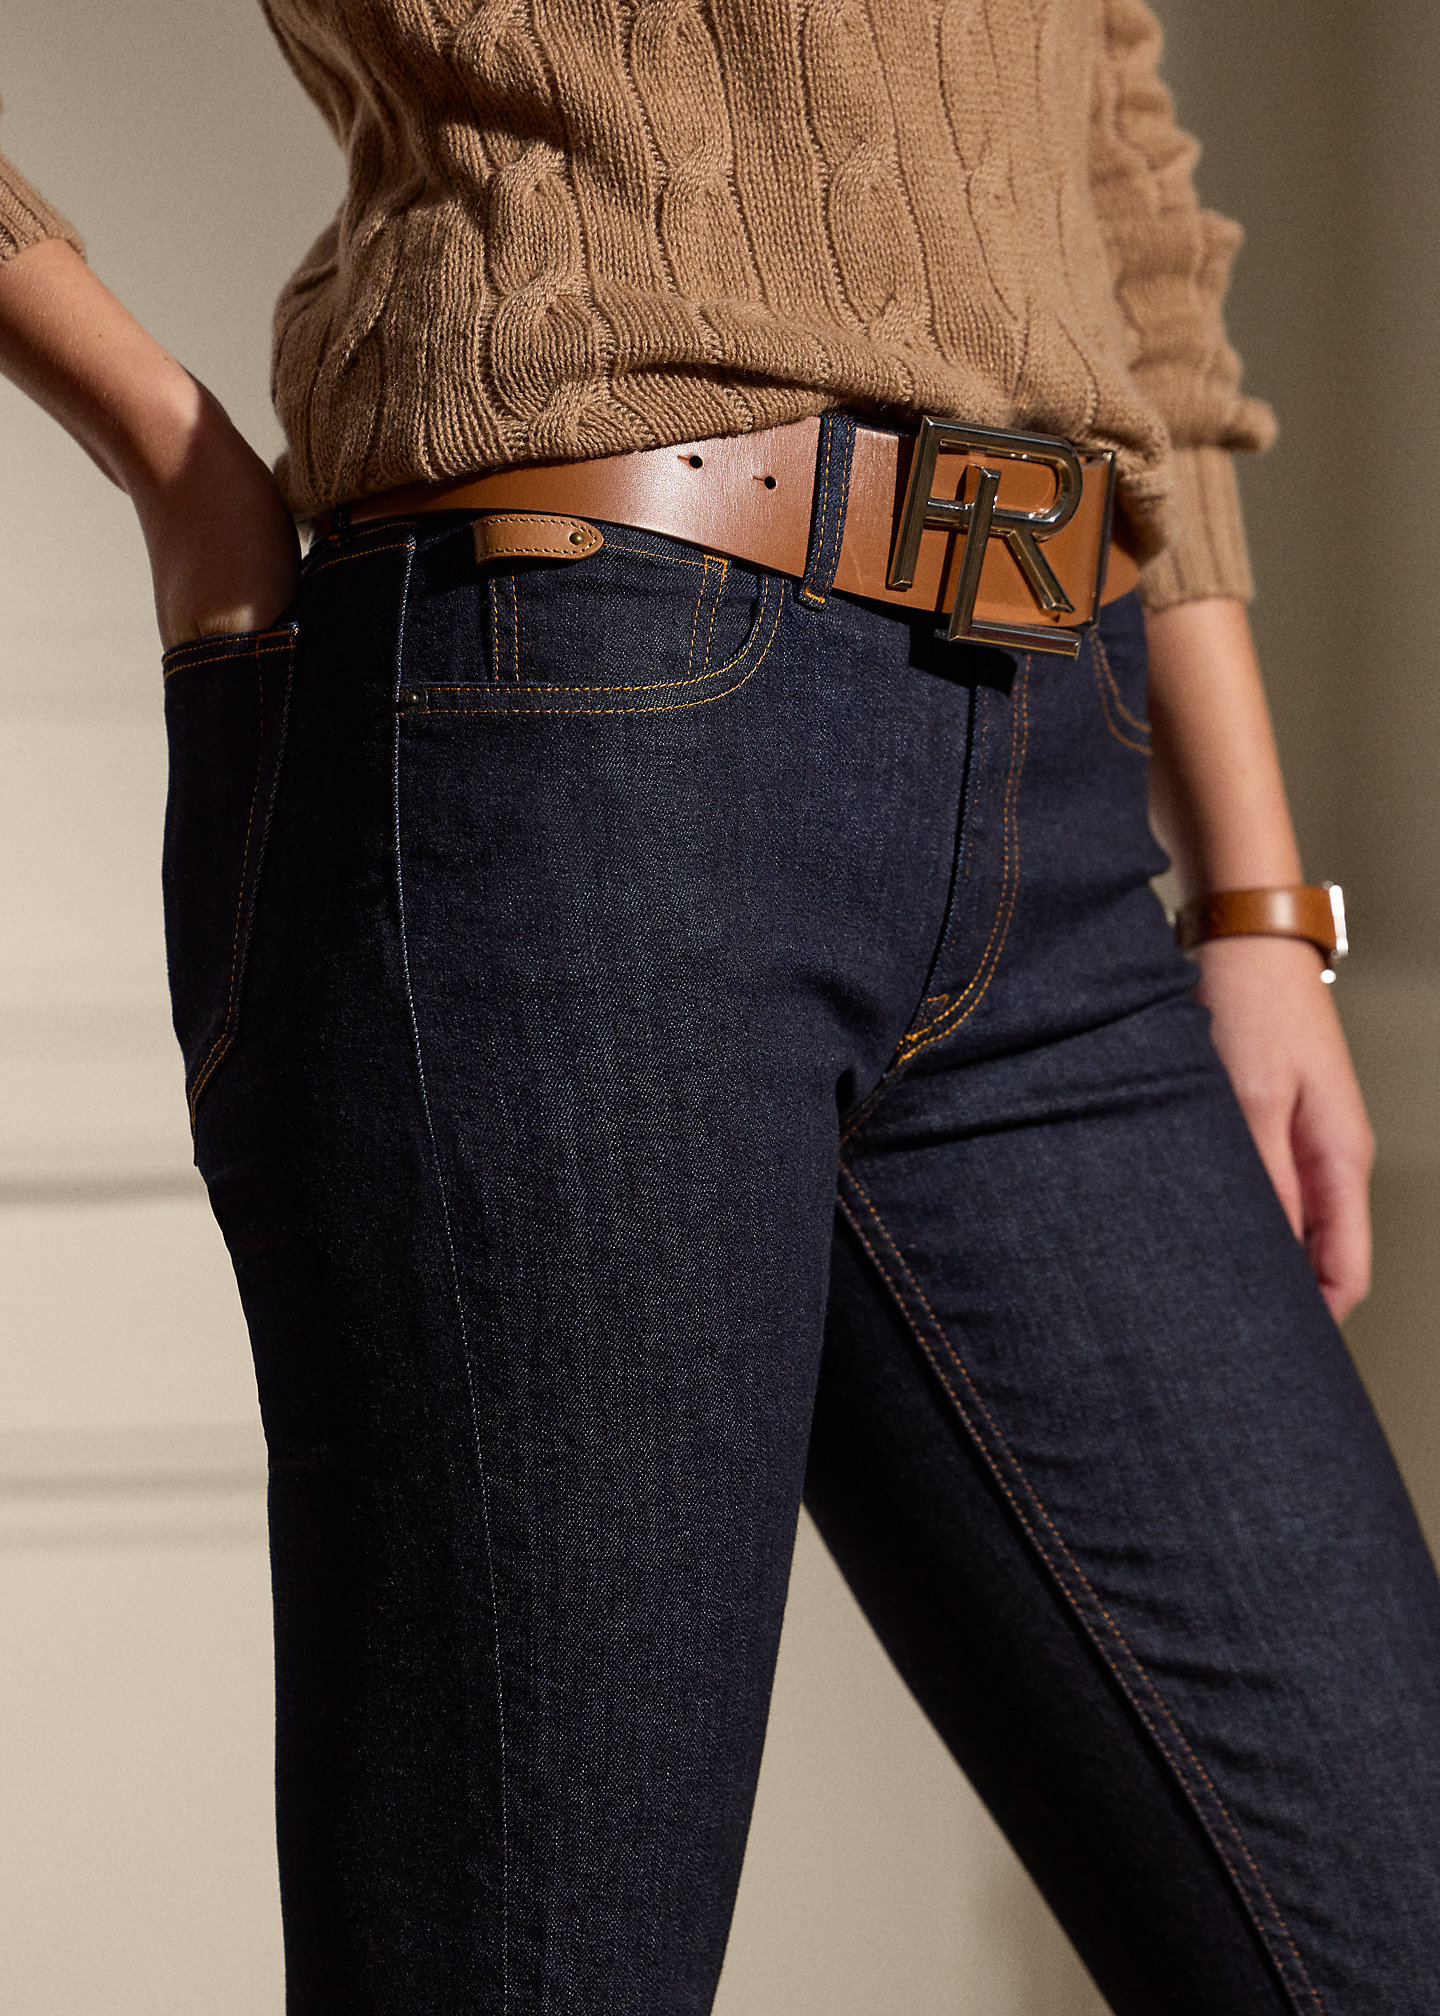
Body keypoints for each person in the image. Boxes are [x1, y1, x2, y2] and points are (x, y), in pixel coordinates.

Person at [2, 4, 1437, 2011]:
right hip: (584, 718)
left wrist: (1260, 899)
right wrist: (182, 476)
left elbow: (1111, 157)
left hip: (1061, 786)